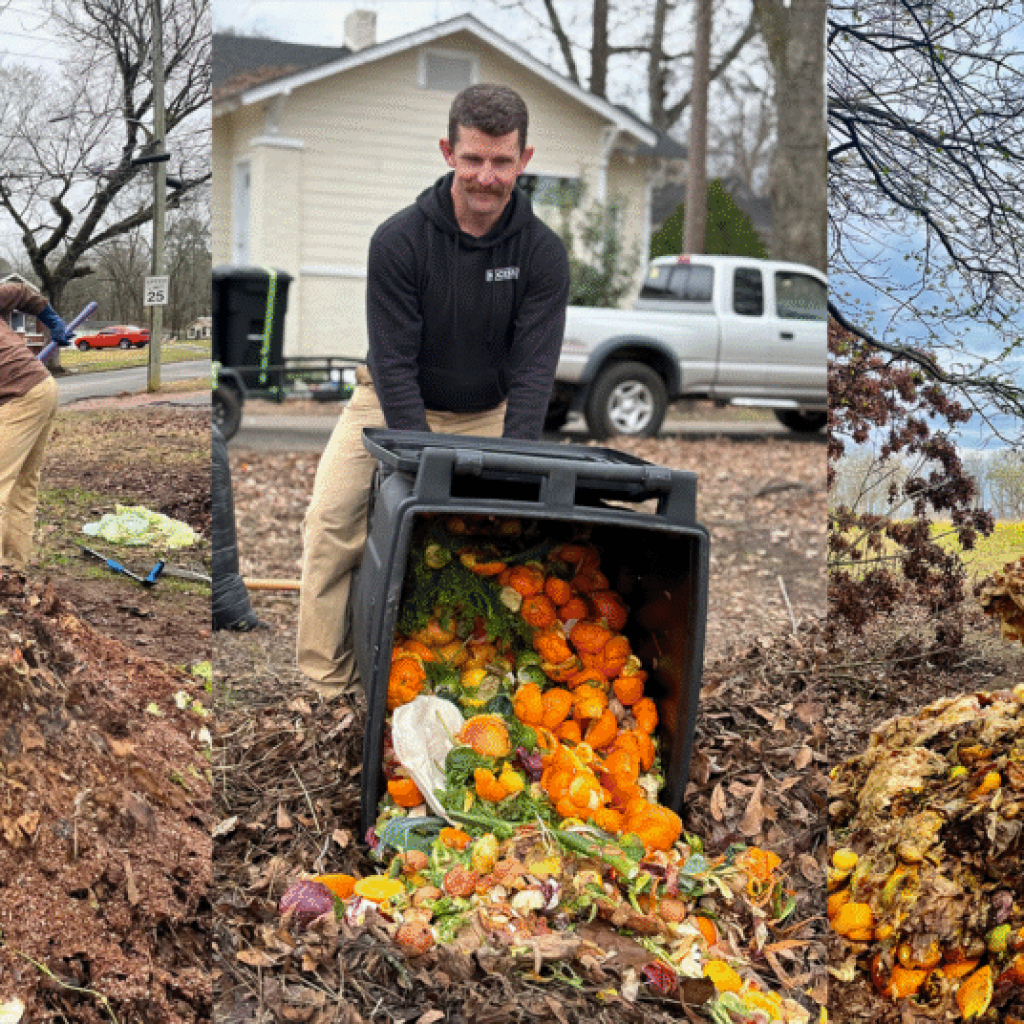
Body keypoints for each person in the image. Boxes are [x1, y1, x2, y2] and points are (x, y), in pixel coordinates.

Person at [298, 83, 570, 699]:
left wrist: (511, 475)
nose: (487, 176)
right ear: (448, 151)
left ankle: (477, 678)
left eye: (502, 161)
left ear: (524, 160)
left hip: (488, 410)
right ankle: (326, 683)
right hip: (388, 399)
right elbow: (393, 364)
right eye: (473, 158)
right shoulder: (399, 242)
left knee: (493, 535)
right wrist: (423, 471)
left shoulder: (544, 255)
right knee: (330, 520)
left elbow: (533, 377)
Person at [0, 280, 72, 569]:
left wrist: (50, 319)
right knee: (22, 486)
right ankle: (13, 572)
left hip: (20, 395)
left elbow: (20, 291)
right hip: (42, 386)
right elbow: (20, 290)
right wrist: (51, 320)